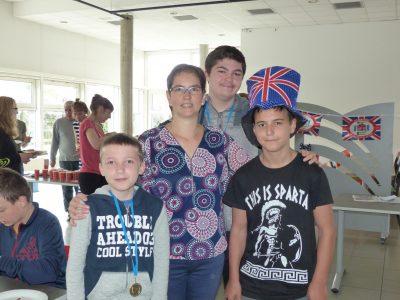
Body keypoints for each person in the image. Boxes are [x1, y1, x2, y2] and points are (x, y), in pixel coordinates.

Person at [201, 45, 317, 285]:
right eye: (222, 71)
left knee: (242, 287)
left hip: (245, 221)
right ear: (207, 75)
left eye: (236, 73)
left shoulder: (255, 112)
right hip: (201, 222)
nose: (229, 79)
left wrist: (306, 159)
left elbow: (279, 148)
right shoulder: (193, 113)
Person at [223, 66, 336, 300]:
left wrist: (320, 282)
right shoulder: (243, 177)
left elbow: (327, 230)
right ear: (254, 129)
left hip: (299, 288)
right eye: (262, 124)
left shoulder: (311, 174)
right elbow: (239, 230)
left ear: (292, 126)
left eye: (278, 123)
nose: (270, 131)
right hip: (251, 287)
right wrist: (234, 279)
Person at [66, 133, 169, 299]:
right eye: (111, 162)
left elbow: (162, 263)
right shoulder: (86, 208)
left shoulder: (155, 207)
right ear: (101, 168)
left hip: (144, 294)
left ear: (141, 166)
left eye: (128, 161)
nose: (120, 169)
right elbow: (75, 266)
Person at [0, 167, 66, 288]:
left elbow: (48, 272)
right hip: (12, 289)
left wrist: (3, 262)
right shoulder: (4, 224)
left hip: (49, 291)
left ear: (22, 201)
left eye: (1, 210)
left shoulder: (47, 224)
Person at [79, 94, 114, 195]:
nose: (109, 116)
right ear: (100, 109)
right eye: (108, 113)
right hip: (90, 175)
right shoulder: (87, 123)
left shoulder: (97, 125)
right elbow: (96, 145)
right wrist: (110, 136)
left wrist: (108, 135)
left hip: (99, 172)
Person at [50, 100, 80, 211]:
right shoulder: (58, 123)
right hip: (64, 160)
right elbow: (55, 141)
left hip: (79, 161)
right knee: (66, 188)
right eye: (66, 110)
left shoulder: (81, 122)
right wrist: (52, 157)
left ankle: (78, 211)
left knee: (79, 188)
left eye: (70, 110)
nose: (68, 112)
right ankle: (69, 211)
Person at [0, 96, 33, 174]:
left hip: (12, 178)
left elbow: (6, 153)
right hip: (5, 182)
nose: (17, 112)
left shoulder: (5, 131)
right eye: (15, 109)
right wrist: (19, 158)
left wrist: (21, 154)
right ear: (6, 111)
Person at [72, 98, 89, 169]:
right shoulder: (75, 124)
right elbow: (77, 140)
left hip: (90, 154)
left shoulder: (89, 122)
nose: (77, 117)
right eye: (75, 114)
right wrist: (77, 146)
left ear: (85, 112)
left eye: (80, 114)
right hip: (82, 155)